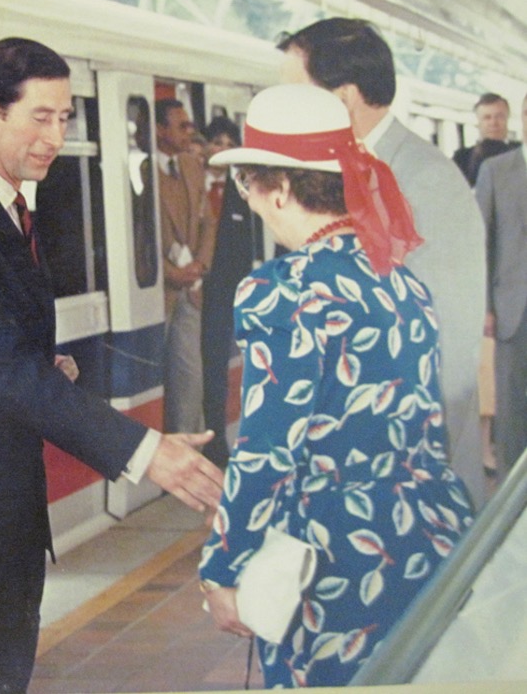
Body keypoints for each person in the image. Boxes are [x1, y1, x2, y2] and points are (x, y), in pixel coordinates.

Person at [0, 37, 224, 694]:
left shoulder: (3, 211)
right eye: (40, 116)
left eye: (64, 118)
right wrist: (145, 450)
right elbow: (5, 374)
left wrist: (40, 364)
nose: (55, 136)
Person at [198, 84, 475, 688]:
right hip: (422, 534)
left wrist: (223, 568)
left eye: (249, 183)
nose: (251, 200)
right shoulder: (401, 282)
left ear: (284, 187)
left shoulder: (281, 291)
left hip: (331, 556)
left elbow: (268, 449)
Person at [278, 17, 488, 506]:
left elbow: (450, 352)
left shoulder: (427, 182)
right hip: (356, 476)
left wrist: (410, 475)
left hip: (411, 481)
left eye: (297, 94)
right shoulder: (336, 173)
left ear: (345, 96)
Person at [199, 116, 261, 468]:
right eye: (215, 141)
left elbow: (245, 249)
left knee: (216, 366)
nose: (220, 149)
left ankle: (216, 437)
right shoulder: (195, 185)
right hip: (195, 289)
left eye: (228, 143)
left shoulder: (242, 194)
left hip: (224, 293)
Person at [156, 98, 218, 436]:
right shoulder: (138, 170)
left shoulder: (192, 166)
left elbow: (209, 221)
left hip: (191, 290)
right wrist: (169, 272)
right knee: (152, 380)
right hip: (157, 291)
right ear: (159, 130)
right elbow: (137, 235)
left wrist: (200, 265)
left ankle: (188, 445)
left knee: (189, 373)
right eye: (181, 125)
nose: (190, 131)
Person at [475, 90, 527, 478]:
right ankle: (514, 487)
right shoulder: (496, 170)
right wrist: (486, 307)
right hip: (513, 306)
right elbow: (483, 241)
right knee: (510, 402)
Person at [452, 92, 517, 186]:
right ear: (478, 121)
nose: (493, 123)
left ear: (507, 118)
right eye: (487, 118)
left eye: (499, 116)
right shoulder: (462, 158)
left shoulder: (522, 152)